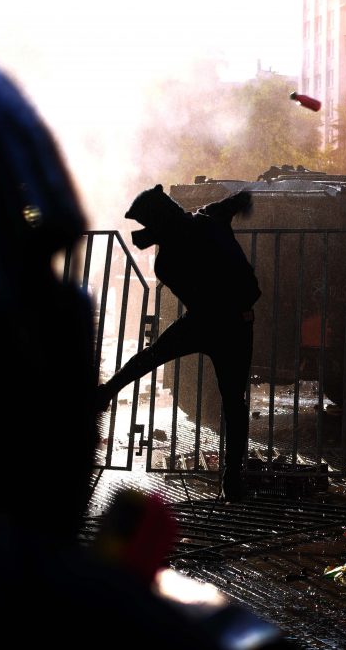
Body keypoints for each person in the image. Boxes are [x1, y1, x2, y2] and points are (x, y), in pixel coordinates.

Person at [0, 20, 287, 648]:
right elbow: (215, 221)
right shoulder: (93, 613)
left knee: (198, 387)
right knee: (182, 379)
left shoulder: (183, 243)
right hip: (217, 321)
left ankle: (221, 470)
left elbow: (215, 225)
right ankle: (210, 462)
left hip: (224, 321)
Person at [95, 184, 260, 501]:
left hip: (207, 321)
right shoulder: (209, 218)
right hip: (234, 322)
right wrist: (242, 204)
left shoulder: (166, 263)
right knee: (233, 403)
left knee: (151, 356)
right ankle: (232, 479)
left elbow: (192, 289)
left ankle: (106, 393)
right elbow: (239, 198)